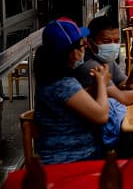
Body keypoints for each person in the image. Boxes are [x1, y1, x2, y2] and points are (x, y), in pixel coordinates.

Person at [33, 18, 110, 164]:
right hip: (72, 160)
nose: (85, 47)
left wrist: (95, 87)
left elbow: (74, 100)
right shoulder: (64, 83)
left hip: (56, 157)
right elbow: (101, 116)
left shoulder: (49, 78)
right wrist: (101, 82)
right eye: (83, 44)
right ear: (72, 53)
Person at [76, 16, 133, 106]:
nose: (112, 45)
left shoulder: (107, 60)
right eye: (106, 41)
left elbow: (129, 86)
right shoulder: (90, 66)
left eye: (116, 41)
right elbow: (123, 99)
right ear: (89, 43)